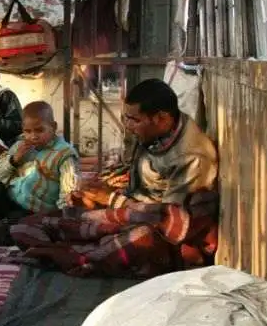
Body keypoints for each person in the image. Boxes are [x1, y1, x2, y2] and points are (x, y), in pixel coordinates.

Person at [13, 79, 219, 278]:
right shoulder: (157, 132)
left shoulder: (192, 157)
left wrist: (112, 200)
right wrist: (101, 193)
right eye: (126, 118)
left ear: (161, 119)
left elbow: (173, 221)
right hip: (133, 211)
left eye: (134, 120)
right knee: (26, 226)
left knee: (138, 239)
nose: (128, 126)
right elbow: (132, 176)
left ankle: (72, 253)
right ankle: (70, 247)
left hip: (168, 235)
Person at [0, 101, 78, 249]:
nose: (33, 136)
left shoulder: (64, 154)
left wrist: (62, 221)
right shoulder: (20, 147)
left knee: (20, 227)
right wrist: (14, 160)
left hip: (34, 211)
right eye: (28, 131)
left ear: (54, 127)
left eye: (39, 130)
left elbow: (68, 193)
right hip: (10, 201)